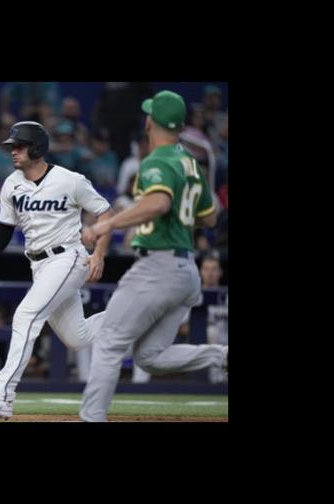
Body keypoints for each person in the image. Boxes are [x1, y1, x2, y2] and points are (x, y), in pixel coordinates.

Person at [78, 90, 228, 422]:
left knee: (108, 342)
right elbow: (211, 216)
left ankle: (91, 419)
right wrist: (178, 210)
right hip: (186, 269)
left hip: (157, 267)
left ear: (151, 122)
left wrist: (109, 226)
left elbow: (159, 203)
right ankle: (222, 357)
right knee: (150, 357)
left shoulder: (157, 160)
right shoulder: (190, 162)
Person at [0, 121, 114, 420]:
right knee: (78, 337)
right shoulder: (12, 183)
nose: (13, 152)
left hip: (68, 257)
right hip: (39, 264)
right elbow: (6, 224)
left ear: (36, 148)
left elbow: (105, 212)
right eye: (12, 147)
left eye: (19, 146)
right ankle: (134, 313)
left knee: (25, 315)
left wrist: (98, 253)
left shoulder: (69, 180)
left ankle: (3, 395)